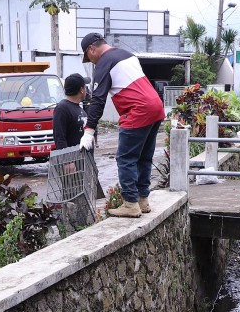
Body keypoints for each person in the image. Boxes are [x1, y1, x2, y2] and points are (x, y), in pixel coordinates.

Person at [79, 33, 166, 218]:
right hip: (156, 106)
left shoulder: (104, 63)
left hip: (138, 110)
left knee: (125, 158)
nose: (92, 62)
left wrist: (89, 131)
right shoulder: (127, 54)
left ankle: (130, 204)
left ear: (91, 49)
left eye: (89, 58)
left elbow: (98, 100)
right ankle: (143, 200)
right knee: (144, 157)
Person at [53, 73, 88, 150]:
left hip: (83, 156)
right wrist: (66, 157)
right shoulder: (62, 108)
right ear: (81, 90)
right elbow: (60, 138)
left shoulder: (78, 107)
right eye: (85, 87)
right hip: (72, 156)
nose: (86, 90)